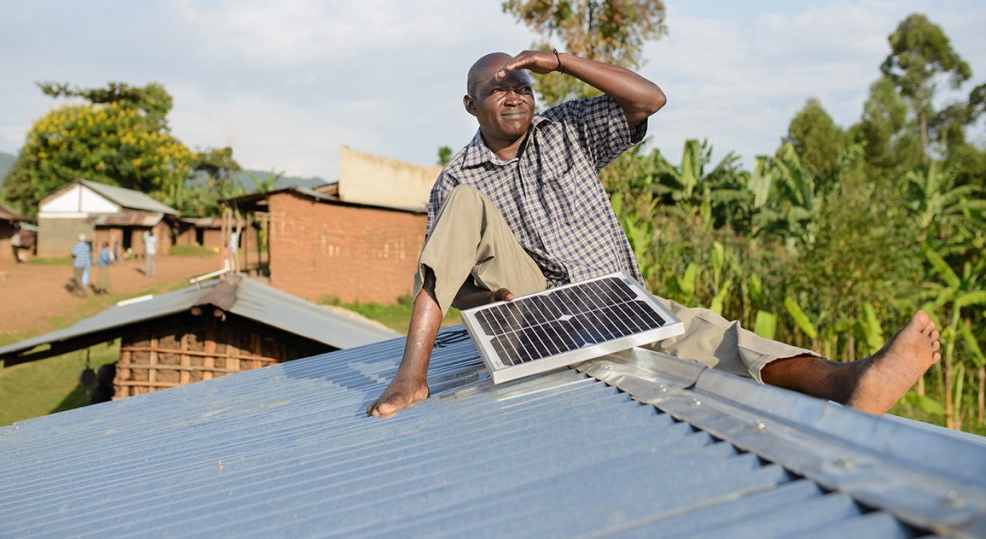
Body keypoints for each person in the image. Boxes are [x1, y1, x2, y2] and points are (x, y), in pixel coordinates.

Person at [368, 50, 942, 419]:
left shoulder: (564, 130)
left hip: (616, 303)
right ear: (471, 105)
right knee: (470, 204)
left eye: (520, 83)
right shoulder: (456, 180)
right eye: (496, 89)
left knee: (719, 338)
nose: (513, 93)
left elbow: (650, 99)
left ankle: (847, 382)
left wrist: (561, 62)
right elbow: (448, 283)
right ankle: (411, 376)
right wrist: (488, 298)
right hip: (532, 317)